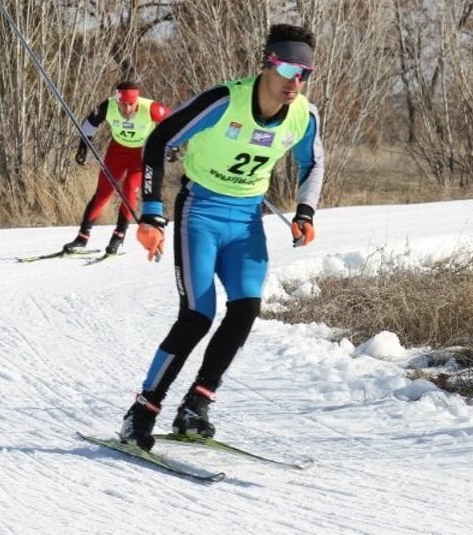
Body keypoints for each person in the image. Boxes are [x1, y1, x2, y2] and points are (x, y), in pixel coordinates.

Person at [118, 23, 325, 450]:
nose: (295, 81)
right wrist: (152, 213)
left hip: (247, 220)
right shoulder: (224, 100)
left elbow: (313, 164)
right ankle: (142, 410)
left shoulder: (305, 115)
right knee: (197, 315)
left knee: (246, 307)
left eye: (304, 72)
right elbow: (158, 139)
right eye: (287, 68)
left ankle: (196, 404)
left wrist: (305, 211)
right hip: (201, 213)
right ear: (267, 63)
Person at [63, 81, 170, 256]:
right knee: (103, 192)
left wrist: (171, 146)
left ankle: (118, 237)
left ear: (137, 100)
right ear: (117, 100)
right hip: (117, 151)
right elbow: (88, 125)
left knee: (129, 190)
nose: (126, 109)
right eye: (122, 104)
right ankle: (82, 238)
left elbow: (174, 122)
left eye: (130, 104)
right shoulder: (109, 106)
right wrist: (83, 147)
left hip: (142, 153)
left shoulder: (151, 108)